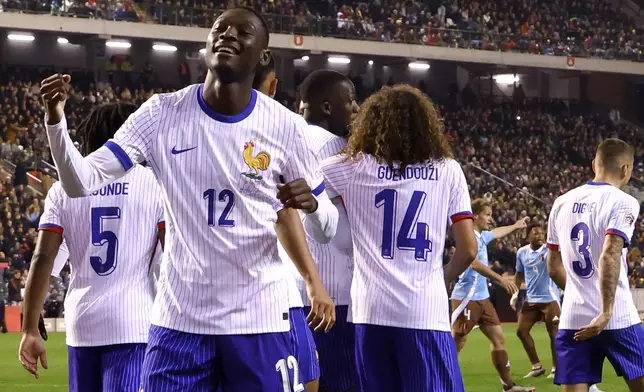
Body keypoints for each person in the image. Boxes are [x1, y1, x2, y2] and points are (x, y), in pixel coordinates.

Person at [39, 7, 339, 391]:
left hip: (258, 320)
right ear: (207, 45)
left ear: (263, 56)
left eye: (242, 31)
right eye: (220, 28)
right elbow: (80, 182)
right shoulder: (161, 114)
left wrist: (313, 206)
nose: (228, 34)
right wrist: (55, 121)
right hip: (180, 322)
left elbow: (326, 229)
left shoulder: (287, 128)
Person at [320, 84, 478, 391]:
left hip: (369, 310)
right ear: (426, 125)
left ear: (371, 122)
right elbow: (468, 249)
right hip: (423, 310)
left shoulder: (352, 167)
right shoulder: (447, 170)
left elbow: (302, 186)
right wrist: (441, 276)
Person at [18, 103, 165, 390]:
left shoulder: (63, 189)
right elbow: (173, 257)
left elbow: (43, 259)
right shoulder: (154, 183)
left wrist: (29, 326)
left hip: (82, 325)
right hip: (133, 323)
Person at [547, 138, 644, 392]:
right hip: (617, 317)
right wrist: (606, 311)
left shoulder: (561, 203)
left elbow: (553, 266)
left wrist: (581, 294)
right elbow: (610, 254)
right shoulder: (624, 201)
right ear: (626, 169)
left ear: (594, 165)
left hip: (573, 318)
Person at [250, 53, 320, 392]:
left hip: (201, 306)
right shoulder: (286, 132)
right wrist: (313, 280)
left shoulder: (192, 131)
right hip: (279, 296)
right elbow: (291, 212)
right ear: (273, 86)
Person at [297, 69, 359, 392]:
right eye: (349, 101)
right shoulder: (337, 147)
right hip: (336, 298)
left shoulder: (284, 139)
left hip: (295, 297)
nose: (356, 109)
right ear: (326, 107)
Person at [450, 198, 534, 392]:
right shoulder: (468, 235)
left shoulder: (481, 235)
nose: (490, 219)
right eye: (487, 215)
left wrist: (516, 225)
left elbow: (496, 232)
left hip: (482, 297)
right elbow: (473, 262)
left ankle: (508, 386)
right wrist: (500, 279)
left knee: (498, 339)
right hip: (466, 296)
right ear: (476, 215)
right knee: (457, 342)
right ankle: (439, 379)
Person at [512, 223, 560, 379]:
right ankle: (537, 366)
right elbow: (519, 274)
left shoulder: (550, 250)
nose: (540, 236)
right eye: (535, 233)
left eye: (542, 233)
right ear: (528, 236)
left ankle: (556, 369)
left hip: (549, 298)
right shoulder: (522, 252)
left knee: (553, 333)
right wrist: (515, 293)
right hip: (531, 299)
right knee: (521, 331)